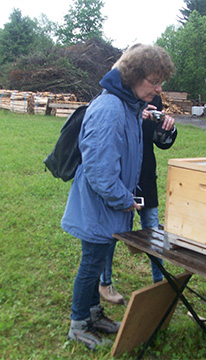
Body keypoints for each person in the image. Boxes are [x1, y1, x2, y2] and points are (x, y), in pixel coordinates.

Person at [61, 44, 175, 350]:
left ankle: (94, 314)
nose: (159, 87)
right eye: (153, 81)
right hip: (100, 205)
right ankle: (78, 323)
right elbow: (100, 173)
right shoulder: (109, 110)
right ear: (133, 77)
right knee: (91, 265)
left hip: (109, 206)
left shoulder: (129, 107)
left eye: (160, 81)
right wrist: (125, 200)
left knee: (96, 261)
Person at [99, 94, 177, 304]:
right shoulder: (117, 97)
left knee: (152, 229)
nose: (156, 87)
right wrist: (134, 117)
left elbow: (160, 142)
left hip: (146, 175)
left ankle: (159, 283)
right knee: (114, 230)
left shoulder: (155, 99)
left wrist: (167, 127)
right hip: (122, 174)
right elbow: (108, 136)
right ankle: (104, 283)